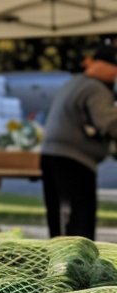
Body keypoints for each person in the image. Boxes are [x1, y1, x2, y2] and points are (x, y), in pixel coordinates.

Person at [41, 43, 117, 239]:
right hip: (74, 160)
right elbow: (108, 123)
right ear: (103, 65)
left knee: (58, 216)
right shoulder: (95, 88)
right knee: (79, 219)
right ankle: (74, 264)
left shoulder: (74, 83)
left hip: (51, 155)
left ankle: (58, 260)